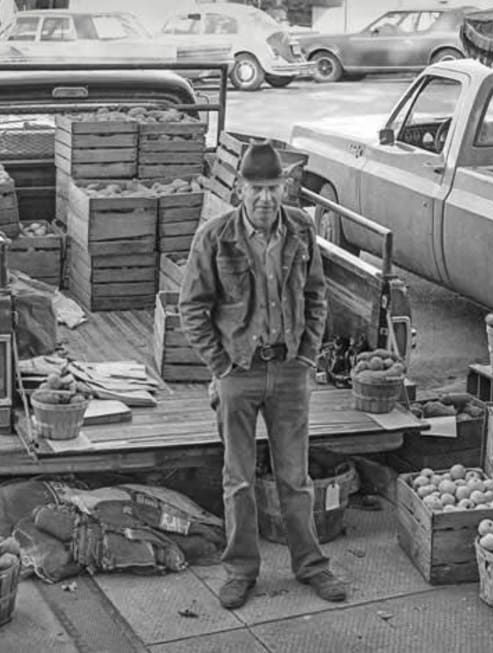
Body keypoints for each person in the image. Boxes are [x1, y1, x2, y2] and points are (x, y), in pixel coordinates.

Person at [178, 141, 347, 610]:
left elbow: (316, 296)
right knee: (239, 480)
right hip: (239, 373)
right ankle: (240, 571)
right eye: (256, 188)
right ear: (239, 189)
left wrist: (308, 356)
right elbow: (191, 309)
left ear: (284, 188)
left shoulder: (301, 230)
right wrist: (222, 366)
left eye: (273, 187)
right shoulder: (214, 238)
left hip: (290, 371)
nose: (266, 198)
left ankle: (311, 565)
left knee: (296, 478)